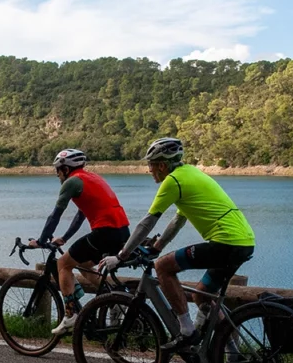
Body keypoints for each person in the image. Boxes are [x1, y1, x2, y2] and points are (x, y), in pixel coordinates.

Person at [99, 137, 254, 349]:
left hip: (225, 242)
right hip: (244, 242)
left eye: (151, 165)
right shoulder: (190, 173)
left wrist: (121, 256)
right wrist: (158, 245)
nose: (150, 170)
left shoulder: (173, 181)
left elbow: (148, 222)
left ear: (162, 165)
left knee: (162, 266)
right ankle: (234, 354)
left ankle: (187, 331)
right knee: (203, 295)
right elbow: (179, 218)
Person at [28, 148, 130, 334]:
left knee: (63, 264)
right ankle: (116, 297)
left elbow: (55, 215)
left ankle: (70, 315)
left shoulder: (71, 182)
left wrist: (41, 240)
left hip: (105, 232)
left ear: (66, 169)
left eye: (58, 170)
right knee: (85, 265)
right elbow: (81, 215)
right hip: (122, 232)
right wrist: (64, 238)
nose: (57, 174)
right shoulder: (92, 178)